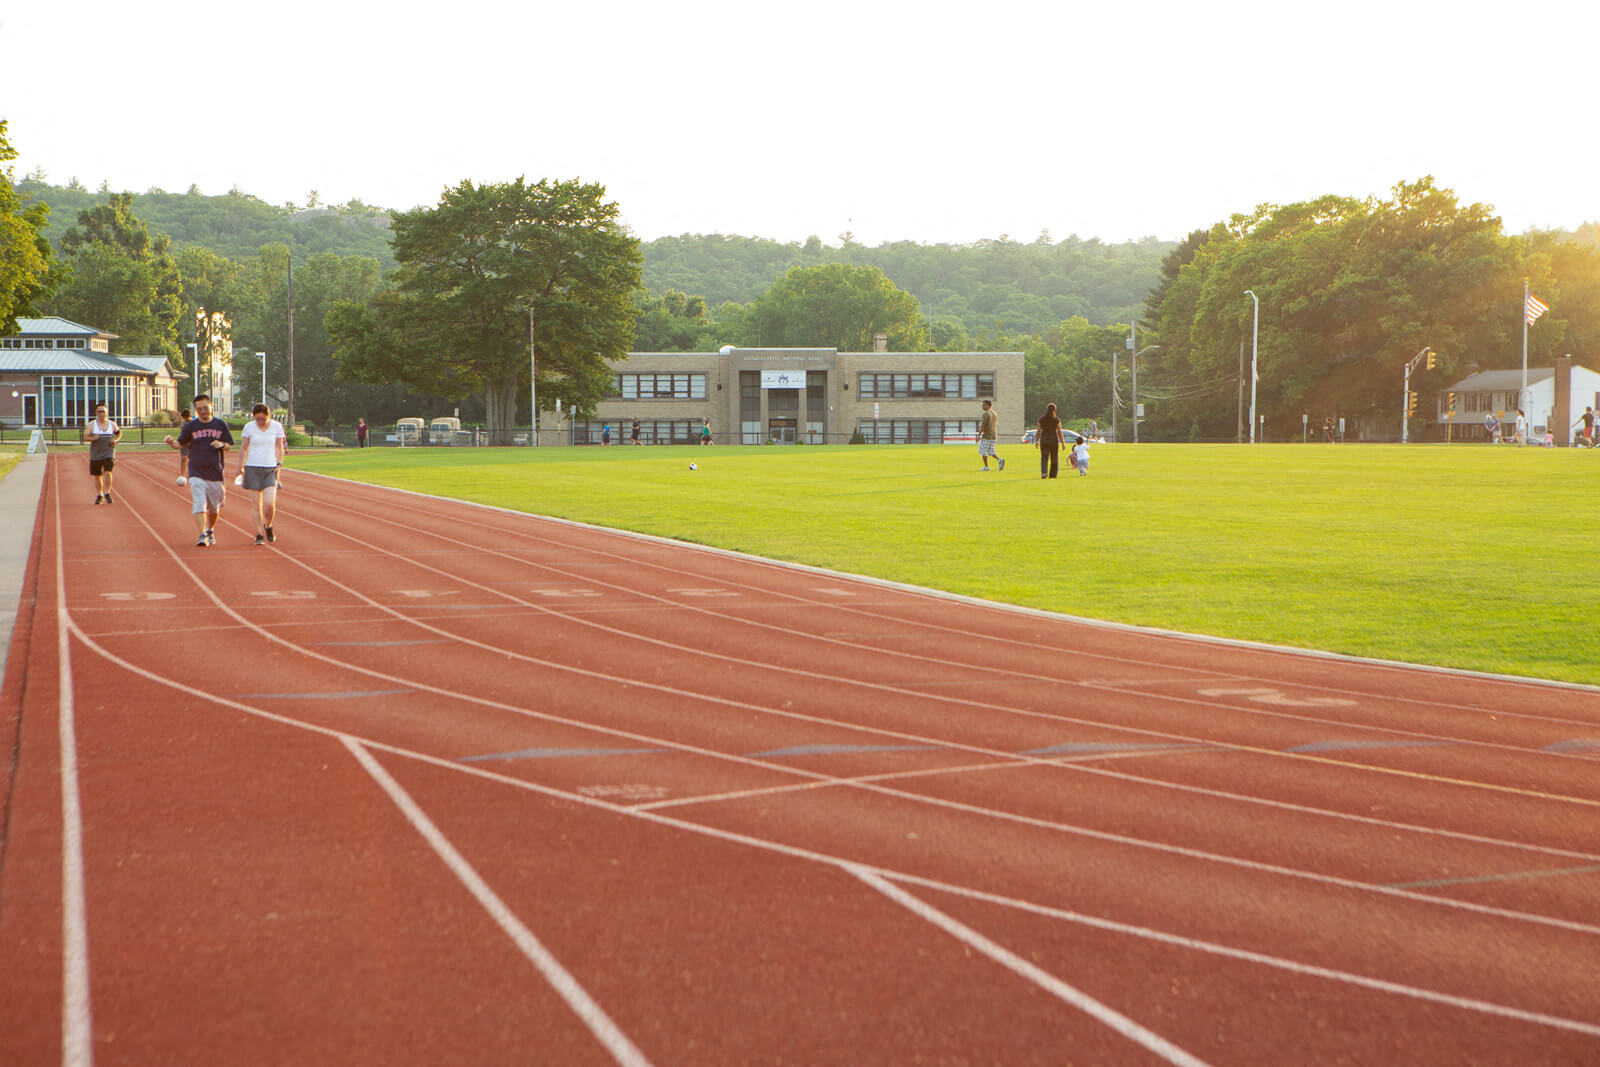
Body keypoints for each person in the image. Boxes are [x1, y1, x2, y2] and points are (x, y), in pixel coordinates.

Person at [176, 394, 234, 548]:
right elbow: (179, 443)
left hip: (215, 472)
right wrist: (170, 442)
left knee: (214, 508)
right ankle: (202, 534)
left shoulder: (220, 424)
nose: (203, 411)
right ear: (196, 410)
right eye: (199, 409)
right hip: (196, 470)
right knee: (199, 503)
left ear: (211, 406)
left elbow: (229, 445)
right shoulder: (190, 426)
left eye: (205, 408)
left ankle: (210, 529)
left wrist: (221, 444)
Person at [235, 403, 287, 546]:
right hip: (252, 467)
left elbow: (280, 448)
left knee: (270, 504)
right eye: (257, 419)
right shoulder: (249, 427)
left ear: (268, 416)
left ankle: (268, 525)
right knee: (256, 504)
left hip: (270, 469)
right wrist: (240, 466)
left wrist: (279, 464)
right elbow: (244, 448)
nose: (260, 422)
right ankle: (258, 533)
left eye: (262, 419)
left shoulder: (277, 427)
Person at [82, 402, 121, 504]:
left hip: (109, 451)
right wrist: (93, 438)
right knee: (98, 475)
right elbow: (85, 437)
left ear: (107, 412)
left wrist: (116, 440)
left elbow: (119, 433)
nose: (101, 413)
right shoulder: (91, 425)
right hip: (96, 453)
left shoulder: (112, 424)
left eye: (103, 411)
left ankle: (107, 492)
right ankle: (100, 494)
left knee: (108, 472)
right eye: (99, 411)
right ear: (96, 412)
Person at [1035, 403, 1065, 479]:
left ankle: (1044, 473)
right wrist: (1063, 443)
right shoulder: (1056, 419)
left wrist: (1037, 441)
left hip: (1044, 439)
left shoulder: (1041, 419)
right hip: (1053, 439)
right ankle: (1053, 474)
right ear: (1055, 410)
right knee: (1054, 457)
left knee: (1044, 457)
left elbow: (1038, 430)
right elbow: (1059, 431)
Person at [977, 398, 1004, 472]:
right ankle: (1000, 460)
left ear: (988, 405)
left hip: (987, 435)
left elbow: (983, 425)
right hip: (994, 435)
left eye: (984, 405)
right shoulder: (994, 413)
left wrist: (979, 435)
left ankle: (986, 467)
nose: (982, 406)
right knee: (991, 450)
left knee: (983, 451)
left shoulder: (986, 414)